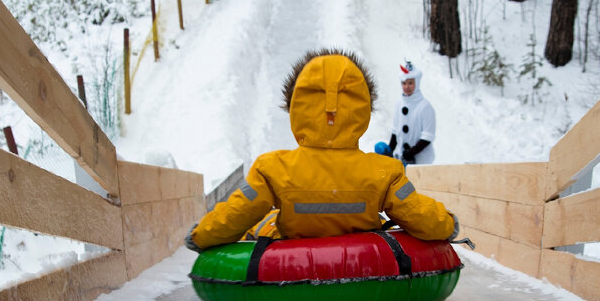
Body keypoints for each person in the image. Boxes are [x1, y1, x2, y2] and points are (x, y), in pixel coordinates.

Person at [186, 51, 458, 250]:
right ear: (361, 110)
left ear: (296, 109)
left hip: (292, 255)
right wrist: (447, 223)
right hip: (363, 261)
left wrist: (202, 235)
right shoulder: (384, 172)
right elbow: (416, 211)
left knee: (267, 221)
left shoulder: (273, 168)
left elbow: (238, 211)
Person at [387, 60, 436, 165]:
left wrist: (412, 152)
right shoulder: (399, 104)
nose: (407, 87)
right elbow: (395, 131)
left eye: (410, 83)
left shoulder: (425, 107)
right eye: (404, 83)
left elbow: (427, 136)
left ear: (416, 83)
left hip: (422, 163)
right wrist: (389, 149)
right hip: (402, 159)